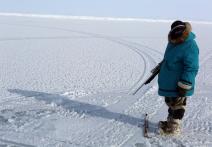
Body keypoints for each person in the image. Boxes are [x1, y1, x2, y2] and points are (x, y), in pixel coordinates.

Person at [157, 20, 199, 135]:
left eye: (179, 31)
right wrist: (161, 66)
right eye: (174, 32)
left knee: (178, 105)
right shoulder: (173, 41)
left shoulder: (190, 45)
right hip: (170, 82)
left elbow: (192, 67)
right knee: (171, 103)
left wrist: (185, 83)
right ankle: (170, 123)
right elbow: (169, 58)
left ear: (184, 31)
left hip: (180, 83)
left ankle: (174, 128)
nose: (177, 34)